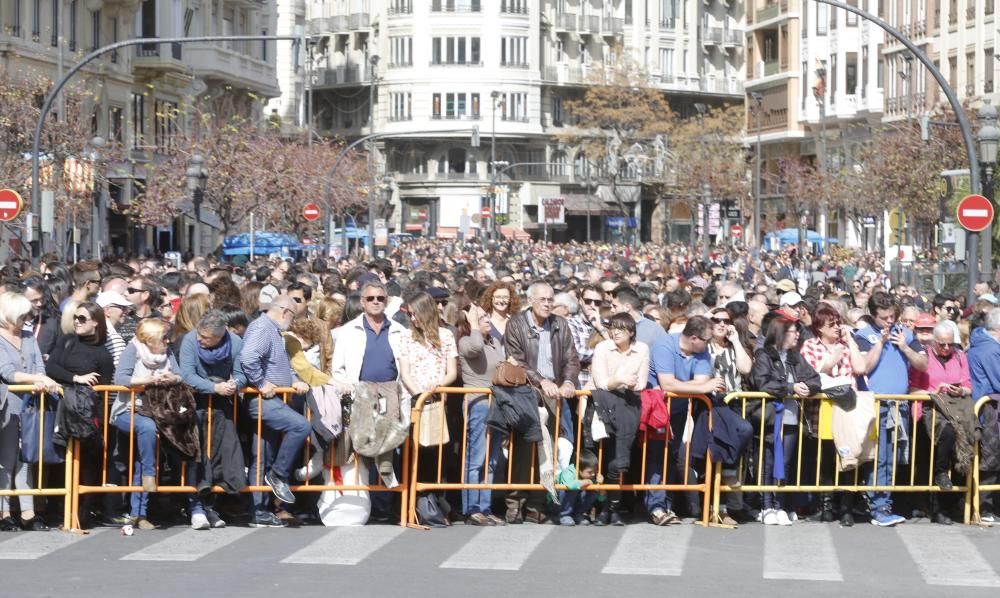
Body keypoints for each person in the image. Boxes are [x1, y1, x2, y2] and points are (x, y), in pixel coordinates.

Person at [503, 281, 580, 524]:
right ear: (531, 301)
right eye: (542, 300)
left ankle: (538, 504)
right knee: (525, 450)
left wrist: (568, 382)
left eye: (550, 300)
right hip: (526, 393)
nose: (547, 304)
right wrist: (540, 381)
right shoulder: (516, 323)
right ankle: (515, 503)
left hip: (555, 393)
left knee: (550, 450)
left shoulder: (560, 324)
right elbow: (516, 359)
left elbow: (571, 358)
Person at [855, 292, 928, 527]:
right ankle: (878, 506)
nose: (889, 321)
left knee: (892, 458)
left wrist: (905, 348)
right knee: (879, 458)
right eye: (884, 317)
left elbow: (923, 364)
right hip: (875, 404)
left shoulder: (905, 333)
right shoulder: (864, 335)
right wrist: (881, 343)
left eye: (892, 317)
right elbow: (864, 366)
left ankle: (883, 502)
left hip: (899, 405)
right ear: (873, 315)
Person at [239, 295, 312, 528]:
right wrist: (261, 383)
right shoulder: (263, 328)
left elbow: (277, 366)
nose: (292, 322)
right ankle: (278, 475)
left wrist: (293, 380)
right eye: (293, 317)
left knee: (262, 455)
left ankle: (259, 510)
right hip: (263, 399)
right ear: (285, 312)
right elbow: (249, 357)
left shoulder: (271, 330)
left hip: (272, 397)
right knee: (301, 426)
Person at [646, 315, 723, 525]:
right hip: (657, 408)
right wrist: (700, 388)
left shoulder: (701, 351)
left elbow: (701, 381)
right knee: (656, 455)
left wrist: (697, 386)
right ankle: (656, 506)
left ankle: (667, 503)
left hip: (679, 409)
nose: (709, 344)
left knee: (671, 454)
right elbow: (668, 384)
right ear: (694, 338)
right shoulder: (665, 345)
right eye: (706, 340)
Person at [110, 318, 183, 530]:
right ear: (149, 340)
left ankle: (139, 514)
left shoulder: (167, 354)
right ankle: (150, 476)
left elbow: (180, 375)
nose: (168, 341)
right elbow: (120, 379)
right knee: (147, 429)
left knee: (141, 460)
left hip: (157, 411)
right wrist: (147, 381)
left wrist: (172, 378)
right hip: (128, 410)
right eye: (163, 338)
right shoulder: (132, 350)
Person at [178, 309, 248, 530]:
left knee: (219, 455)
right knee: (196, 456)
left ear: (220, 335)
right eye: (200, 334)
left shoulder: (235, 343)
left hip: (221, 407)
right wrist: (213, 387)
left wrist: (234, 384)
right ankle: (195, 507)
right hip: (193, 405)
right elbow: (187, 374)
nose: (200, 339)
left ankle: (211, 505)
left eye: (206, 337)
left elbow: (241, 372)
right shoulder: (190, 340)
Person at [749, 313, 821, 526]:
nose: (797, 335)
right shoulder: (764, 355)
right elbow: (762, 383)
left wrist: (808, 387)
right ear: (780, 333)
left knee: (786, 462)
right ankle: (766, 504)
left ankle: (780, 504)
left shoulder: (795, 357)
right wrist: (790, 388)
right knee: (767, 461)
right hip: (770, 415)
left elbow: (814, 378)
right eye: (792, 331)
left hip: (790, 417)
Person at [799, 304, 866, 526]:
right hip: (823, 410)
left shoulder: (845, 345)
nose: (837, 327)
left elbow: (860, 368)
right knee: (826, 459)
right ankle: (826, 506)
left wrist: (850, 342)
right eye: (832, 324)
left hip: (847, 407)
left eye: (839, 323)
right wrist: (831, 359)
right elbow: (812, 374)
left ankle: (846, 507)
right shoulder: (809, 345)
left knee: (849, 458)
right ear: (819, 327)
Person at [0, 292, 61, 531]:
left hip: (30, 405)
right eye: (23, 314)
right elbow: (7, 373)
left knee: (26, 459)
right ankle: (4, 512)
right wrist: (37, 378)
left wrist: (41, 378)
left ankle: (28, 512)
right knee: (5, 460)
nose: (27, 319)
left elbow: (40, 366)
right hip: (6, 405)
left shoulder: (28, 336)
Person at [908, 322, 972, 525]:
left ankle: (945, 504)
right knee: (928, 458)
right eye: (942, 344)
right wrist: (932, 393)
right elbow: (912, 390)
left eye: (949, 344)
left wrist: (960, 391)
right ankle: (927, 504)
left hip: (953, 410)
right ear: (934, 342)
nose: (946, 348)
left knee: (956, 448)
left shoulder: (960, 356)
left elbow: (968, 385)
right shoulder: (923, 357)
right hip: (928, 411)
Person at [588, 312, 648, 525]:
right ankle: (599, 507)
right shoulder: (603, 347)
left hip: (627, 406)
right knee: (599, 457)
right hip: (600, 405)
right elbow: (600, 381)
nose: (615, 332)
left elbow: (641, 382)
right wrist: (620, 379)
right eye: (613, 327)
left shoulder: (642, 349)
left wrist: (626, 382)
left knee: (617, 460)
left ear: (631, 332)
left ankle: (613, 507)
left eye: (621, 329)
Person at [457, 301, 506, 526]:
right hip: (477, 403)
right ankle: (471, 508)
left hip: (496, 403)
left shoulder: (494, 341)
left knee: (492, 460)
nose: (488, 320)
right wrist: (474, 324)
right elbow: (475, 349)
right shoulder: (466, 340)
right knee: (476, 458)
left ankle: (485, 506)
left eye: (487, 317)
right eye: (482, 317)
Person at [555, 449, 604, 526]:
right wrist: (584, 482)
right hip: (555, 502)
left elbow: (601, 498)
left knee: (593, 491)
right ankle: (564, 515)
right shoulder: (569, 472)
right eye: (590, 472)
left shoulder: (590, 478)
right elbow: (569, 485)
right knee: (572, 489)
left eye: (595, 471)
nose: (593, 474)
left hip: (572, 503)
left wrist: (600, 485)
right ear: (579, 469)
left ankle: (577, 514)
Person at [96, 291, 132, 368]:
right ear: (107, 311)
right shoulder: (113, 338)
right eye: (122, 307)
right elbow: (119, 373)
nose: (127, 311)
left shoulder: (95, 331)